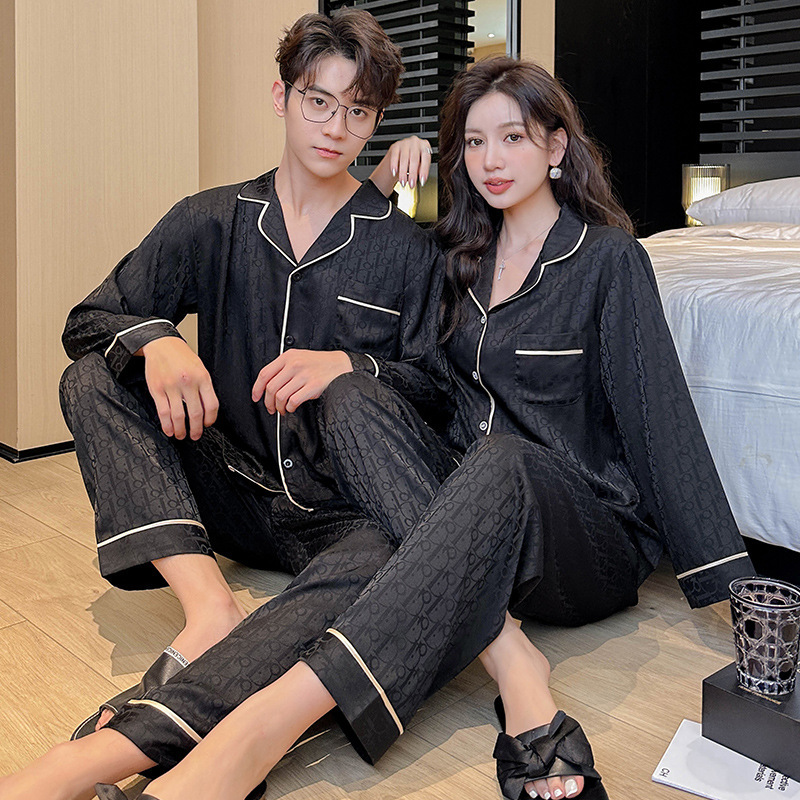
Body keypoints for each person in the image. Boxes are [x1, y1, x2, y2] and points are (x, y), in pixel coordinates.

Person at [0, 57, 753, 800]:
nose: (492, 160)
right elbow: (413, 351)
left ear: (556, 146)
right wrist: (382, 205)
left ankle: (282, 726)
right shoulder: (458, 260)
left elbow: (662, 420)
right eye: (475, 142)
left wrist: (741, 597)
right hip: (466, 522)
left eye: (513, 138)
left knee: (496, 460)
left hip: (580, 535)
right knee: (356, 413)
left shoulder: (609, 258)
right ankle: (142, 740)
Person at [55, 7, 443, 740]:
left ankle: (199, 708)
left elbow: (436, 388)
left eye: (358, 111)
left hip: (339, 513)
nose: (335, 127)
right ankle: (210, 609)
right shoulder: (212, 218)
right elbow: (88, 319)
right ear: (281, 97)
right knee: (92, 378)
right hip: (228, 488)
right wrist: (157, 338)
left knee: (392, 554)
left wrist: (352, 366)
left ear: (375, 121)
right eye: (317, 101)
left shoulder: (403, 248)